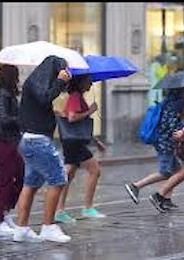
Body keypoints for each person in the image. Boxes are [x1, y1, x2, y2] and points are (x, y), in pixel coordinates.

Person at [14, 55, 72, 243]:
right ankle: (49, 226)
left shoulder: (34, 82)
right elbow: (45, 98)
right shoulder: (38, 85)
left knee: (31, 183)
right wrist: (60, 82)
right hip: (37, 141)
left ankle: (21, 228)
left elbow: (42, 103)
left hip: (30, 140)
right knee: (58, 179)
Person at [124, 88, 184, 209]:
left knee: (175, 170)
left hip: (164, 141)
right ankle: (136, 186)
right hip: (165, 143)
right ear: (181, 92)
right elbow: (172, 127)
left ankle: (165, 199)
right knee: (165, 172)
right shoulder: (174, 106)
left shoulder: (168, 102)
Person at [54, 74, 107, 224]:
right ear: (80, 82)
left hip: (73, 142)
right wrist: (90, 111)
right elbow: (72, 118)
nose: (91, 83)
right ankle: (88, 208)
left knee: (68, 176)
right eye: (88, 81)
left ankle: (59, 210)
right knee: (95, 170)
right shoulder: (76, 96)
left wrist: (95, 141)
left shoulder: (77, 96)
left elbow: (79, 126)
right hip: (74, 143)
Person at [0, 64, 24, 237]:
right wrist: (21, 118)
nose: (18, 79)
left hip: (11, 141)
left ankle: (5, 212)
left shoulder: (8, 94)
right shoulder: (2, 95)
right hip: (3, 142)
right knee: (6, 180)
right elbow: (4, 120)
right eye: (16, 76)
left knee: (20, 175)